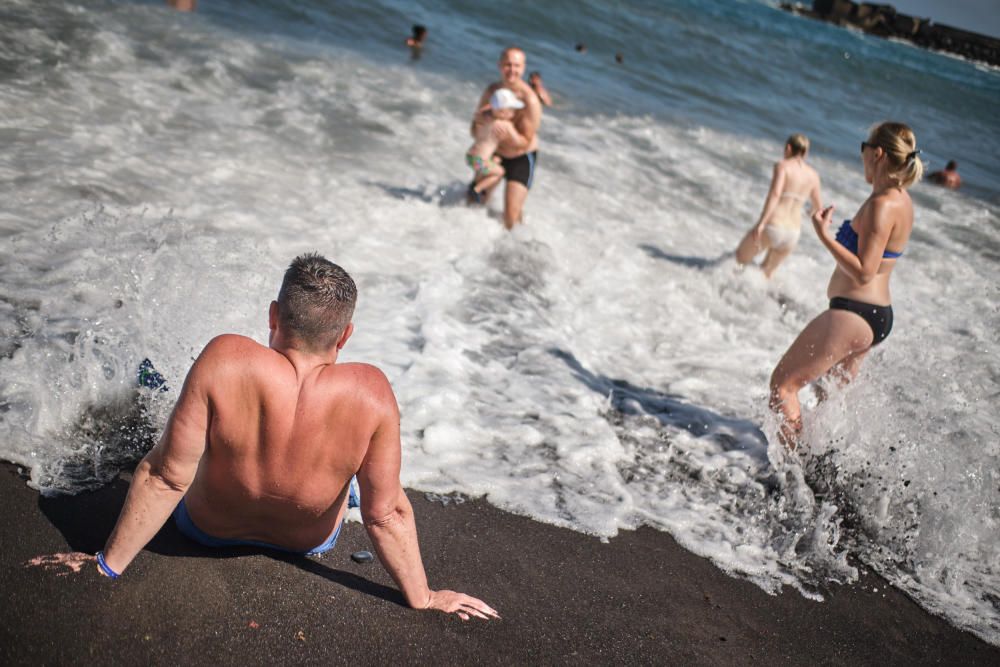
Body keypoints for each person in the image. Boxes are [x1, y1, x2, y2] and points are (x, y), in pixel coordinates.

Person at [96, 254, 499, 621]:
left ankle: (149, 383)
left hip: (206, 529)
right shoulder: (371, 392)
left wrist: (106, 564)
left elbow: (167, 477)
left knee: (172, 407)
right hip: (308, 543)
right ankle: (346, 485)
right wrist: (424, 596)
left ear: (273, 316)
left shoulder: (224, 357)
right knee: (360, 477)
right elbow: (386, 514)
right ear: (344, 336)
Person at [769, 122, 922, 449]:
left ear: (877, 153)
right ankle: (814, 474)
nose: (862, 155)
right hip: (874, 315)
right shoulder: (900, 200)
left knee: (783, 386)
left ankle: (791, 475)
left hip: (856, 311)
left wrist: (824, 235)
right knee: (827, 400)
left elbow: (865, 273)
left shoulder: (883, 204)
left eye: (863, 148)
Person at [470, 47, 543, 230]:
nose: (512, 70)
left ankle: (516, 249)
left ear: (523, 68)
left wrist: (511, 134)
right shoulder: (492, 92)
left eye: (516, 66)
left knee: (511, 215)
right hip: (495, 154)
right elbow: (474, 130)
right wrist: (483, 125)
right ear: (499, 65)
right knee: (472, 200)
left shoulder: (529, 100)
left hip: (521, 157)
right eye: (507, 65)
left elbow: (524, 142)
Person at [735, 134, 822, 278]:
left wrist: (761, 223)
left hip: (774, 225)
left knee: (739, 259)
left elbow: (775, 194)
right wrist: (807, 212)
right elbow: (818, 207)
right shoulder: (814, 175)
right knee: (766, 274)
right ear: (805, 152)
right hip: (793, 232)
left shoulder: (783, 166)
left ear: (788, 148)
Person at [466, 89, 526, 203]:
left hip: (471, 156)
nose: (514, 114)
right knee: (500, 172)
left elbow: (477, 115)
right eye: (512, 110)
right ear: (503, 112)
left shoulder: (485, 117)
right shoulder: (505, 125)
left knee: (495, 160)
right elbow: (518, 142)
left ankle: (476, 184)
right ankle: (476, 189)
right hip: (480, 160)